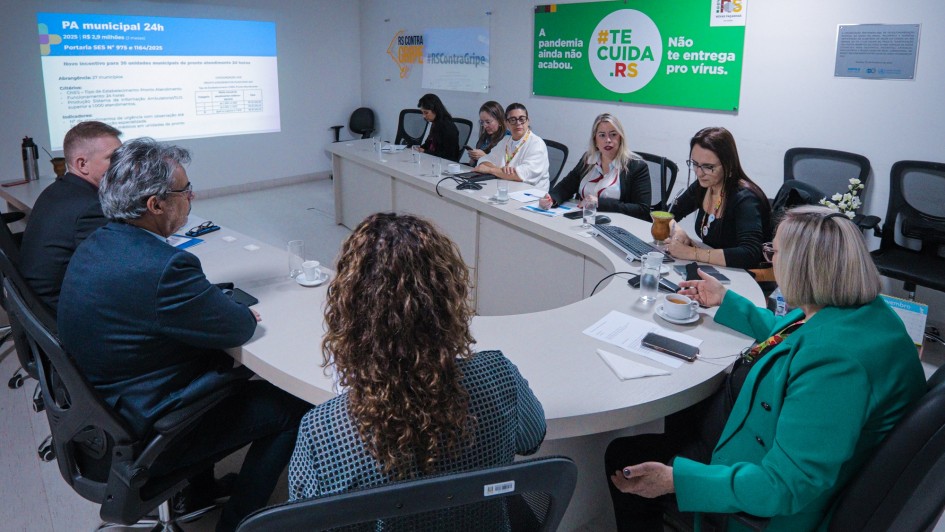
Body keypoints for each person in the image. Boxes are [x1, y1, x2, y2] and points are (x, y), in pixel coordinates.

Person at [605, 205, 926, 531]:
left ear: (801, 267)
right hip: (753, 441)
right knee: (683, 414)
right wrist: (726, 300)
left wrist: (676, 481)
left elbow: (786, 485)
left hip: (753, 485)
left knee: (624, 456)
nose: (770, 260)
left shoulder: (836, 365)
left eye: (774, 252)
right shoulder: (861, 312)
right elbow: (791, 335)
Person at [57, 138, 309, 532]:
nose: (192, 197)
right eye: (184, 190)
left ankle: (198, 493)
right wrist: (231, 309)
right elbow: (239, 326)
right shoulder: (165, 268)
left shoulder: (97, 243)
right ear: (155, 205)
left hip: (100, 421)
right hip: (145, 425)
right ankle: (239, 525)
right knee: (290, 408)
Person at [289, 213, 546, 526]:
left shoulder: (324, 431)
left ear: (351, 313)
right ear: (448, 298)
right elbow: (532, 439)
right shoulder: (499, 377)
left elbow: (301, 522)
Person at [19, 121, 122, 313]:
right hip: (61, 312)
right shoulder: (90, 207)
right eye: (113, 158)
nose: (123, 165)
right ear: (82, 164)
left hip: (36, 306)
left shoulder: (58, 190)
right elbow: (116, 271)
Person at [667, 127, 771, 269]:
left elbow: (750, 253)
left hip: (744, 275)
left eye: (708, 167)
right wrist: (678, 232)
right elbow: (667, 214)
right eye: (694, 164)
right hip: (716, 269)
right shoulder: (704, 186)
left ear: (728, 164)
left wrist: (691, 253)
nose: (699, 173)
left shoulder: (745, 199)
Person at [538, 113, 651, 220]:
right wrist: (552, 198)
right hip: (584, 220)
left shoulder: (636, 166)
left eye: (613, 134)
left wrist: (599, 203)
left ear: (620, 138)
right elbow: (566, 186)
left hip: (618, 225)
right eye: (602, 135)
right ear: (595, 140)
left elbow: (642, 209)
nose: (608, 140)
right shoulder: (588, 160)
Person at [476, 103, 550, 190]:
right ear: (506, 123)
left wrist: (490, 170)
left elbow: (521, 175)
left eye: (522, 119)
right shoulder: (505, 140)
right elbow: (483, 160)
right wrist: (501, 172)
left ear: (528, 121)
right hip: (507, 188)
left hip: (530, 193)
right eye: (513, 120)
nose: (518, 123)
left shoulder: (537, 144)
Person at [413, 93, 461, 162]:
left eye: (426, 113)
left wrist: (425, 152)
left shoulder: (448, 127)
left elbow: (448, 155)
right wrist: (418, 148)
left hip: (445, 164)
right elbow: (428, 144)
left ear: (435, 110)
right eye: (422, 112)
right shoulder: (436, 123)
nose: (423, 116)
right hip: (433, 161)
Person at [466, 100, 506, 166]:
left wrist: (484, 157)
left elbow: (504, 167)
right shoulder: (485, 137)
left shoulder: (507, 139)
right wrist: (474, 158)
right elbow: (472, 165)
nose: (484, 126)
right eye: (482, 122)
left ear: (499, 121)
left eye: (488, 122)